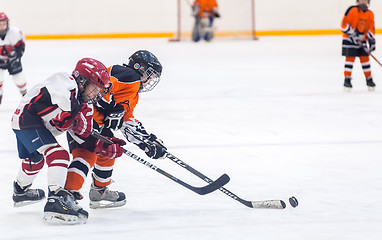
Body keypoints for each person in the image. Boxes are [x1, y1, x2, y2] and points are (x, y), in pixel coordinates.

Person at [11, 58, 112, 224]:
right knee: (59, 155)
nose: (96, 94)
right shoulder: (65, 80)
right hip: (26, 120)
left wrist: (103, 144)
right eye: (94, 88)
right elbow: (63, 97)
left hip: (33, 124)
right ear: (82, 80)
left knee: (34, 160)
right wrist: (76, 112)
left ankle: (20, 191)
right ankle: (56, 198)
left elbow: (84, 135)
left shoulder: (82, 104)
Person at [65, 50, 167, 209]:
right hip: (86, 118)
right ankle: (65, 198)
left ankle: (98, 191)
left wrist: (147, 141)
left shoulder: (133, 94)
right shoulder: (128, 75)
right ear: (139, 67)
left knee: (108, 151)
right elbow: (101, 84)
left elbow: (126, 120)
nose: (150, 80)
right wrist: (110, 106)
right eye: (150, 74)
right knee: (88, 156)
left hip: (93, 123)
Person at [341, 0, 376, 91]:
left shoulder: (370, 14)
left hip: (362, 41)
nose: (363, 2)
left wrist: (371, 40)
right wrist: (352, 35)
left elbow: (371, 28)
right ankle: (347, 79)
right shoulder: (352, 10)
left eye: (365, 0)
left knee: (365, 59)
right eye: (361, 0)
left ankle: (369, 79)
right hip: (349, 40)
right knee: (350, 58)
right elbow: (343, 24)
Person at [0, 12, 27, 104]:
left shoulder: (14, 33)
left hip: (12, 60)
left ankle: (25, 95)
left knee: (19, 79)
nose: (2, 26)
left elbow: (21, 47)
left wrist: (16, 57)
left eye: (4, 24)